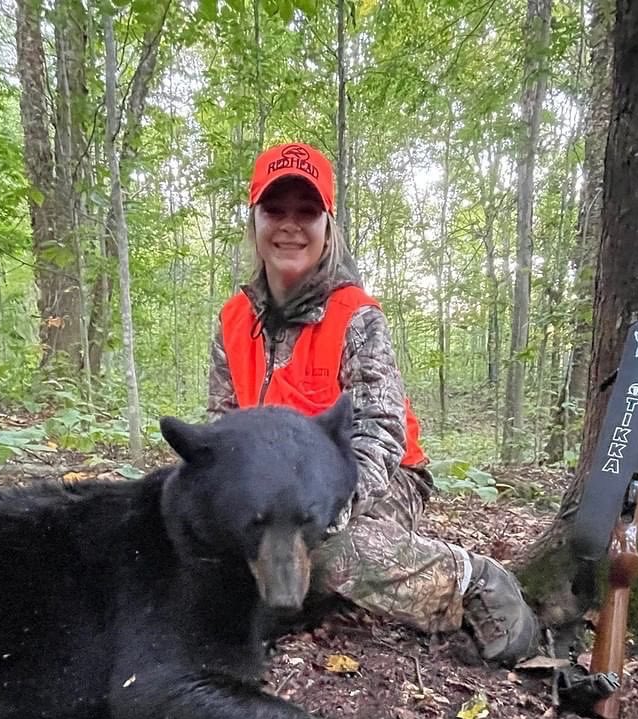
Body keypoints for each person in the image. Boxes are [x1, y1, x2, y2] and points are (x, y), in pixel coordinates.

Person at [206, 142, 540, 665]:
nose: (290, 226)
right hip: (273, 498)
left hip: (381, 479)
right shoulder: (233, 321)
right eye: (275, 209)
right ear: (255, 220)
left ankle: (470, 578)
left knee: (330, 556)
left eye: (307, 211)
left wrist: (327, 510)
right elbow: (222, 429)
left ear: (327, 225)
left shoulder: (354, 316)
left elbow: (381, 431)